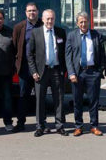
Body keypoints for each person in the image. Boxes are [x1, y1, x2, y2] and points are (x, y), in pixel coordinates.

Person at [27, 9, 67, 137]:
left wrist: (63, 70)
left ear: (55, 19)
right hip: (41, 71)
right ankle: (40, 126)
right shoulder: (35, 32)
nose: (50, 21)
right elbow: (29, 54)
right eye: (47, 19)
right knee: (40, 100)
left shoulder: (61, 32)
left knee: (59, 99)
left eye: (52, 18)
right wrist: (33, 71)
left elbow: (65, 53)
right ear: (43, 19)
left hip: (56, 70)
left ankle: (59, 125)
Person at [65, 12, 105, 137]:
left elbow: (102, 55)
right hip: (77, 73)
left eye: (85, 21)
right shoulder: (71, 36)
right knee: (77, 101)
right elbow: (68, 56)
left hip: (93, 72)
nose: (83, 24)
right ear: (77, 23)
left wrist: (100, 71)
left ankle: (94, 126)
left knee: (93, 101)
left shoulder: (96, 35)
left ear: (89, 22)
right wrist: (71, 72)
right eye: (81, 22)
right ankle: (78, 126)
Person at [12, 2, 43, 132]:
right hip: (25, 68)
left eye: (34, 10)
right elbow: (15, 46)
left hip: (41, 67)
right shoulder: (19, 27)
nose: (32, 13)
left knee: (40, 96)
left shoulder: (43, 25)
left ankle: (41, 124)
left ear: (38, 12)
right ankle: (20, 123)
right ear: (25, 12)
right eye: (29, 11)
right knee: (23, 95)